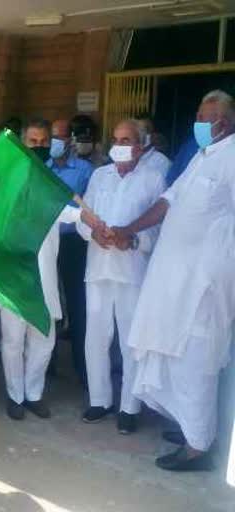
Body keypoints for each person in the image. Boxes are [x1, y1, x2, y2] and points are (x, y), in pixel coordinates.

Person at [115, 90, 235, 471]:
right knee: (172, 354)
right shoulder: (202, 157)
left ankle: (199, 447)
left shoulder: (232, 157)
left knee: (196, 359)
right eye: (199, 114)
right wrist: (129, 228)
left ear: (226, 121)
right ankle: (189, 428)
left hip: (204, 284)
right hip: (173, 281)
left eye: (209, 116)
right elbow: (168, 201)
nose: (200, 122)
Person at [77, 119, 166, 434]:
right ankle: (99, 400)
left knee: (130, 341)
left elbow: (159, 227)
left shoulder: (154, 179)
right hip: (98, 268)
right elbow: (81, 217)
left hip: (131, 270)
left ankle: (130, 406)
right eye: (115, 139)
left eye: (126, 139)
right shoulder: (100, 176)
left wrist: (135, 240)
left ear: (140, 146)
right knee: (96, 338)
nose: (119, 144)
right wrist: (93, 234)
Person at [0, 120, 85, 420]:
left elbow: (70, 212)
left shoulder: (51, 183)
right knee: (12, 340)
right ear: (23, 144)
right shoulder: (8, 179)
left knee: (44, 338)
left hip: (45, 275)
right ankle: (15, 396)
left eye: (43, 140)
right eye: (32, 141)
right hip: (14, 275)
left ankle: (33, 394)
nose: (39, 146)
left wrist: (94, 222)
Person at [49, 119, 94, 386]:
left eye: (60, 137)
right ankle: (48, 364)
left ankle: (82, 367)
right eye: (52, 137)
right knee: (49, 301)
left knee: (78, 306)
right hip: (49, 242)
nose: (56, 142)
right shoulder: (44, 169)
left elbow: (90, 208)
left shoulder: (86, 170)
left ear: (70, 141)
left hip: (76, 243)